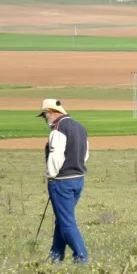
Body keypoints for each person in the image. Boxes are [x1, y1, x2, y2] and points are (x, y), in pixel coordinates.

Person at [37, 99, 90, 264]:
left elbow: (56, 156)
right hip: (78, 179)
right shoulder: (80, 127)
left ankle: (81, 258)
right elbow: (85, 155)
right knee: (62, 218)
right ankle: (55, 257)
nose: (45, 119)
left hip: (62, 181)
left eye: (45, 115)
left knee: (66, 222)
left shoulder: (58, 129)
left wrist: (51, 175)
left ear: (51, 112)